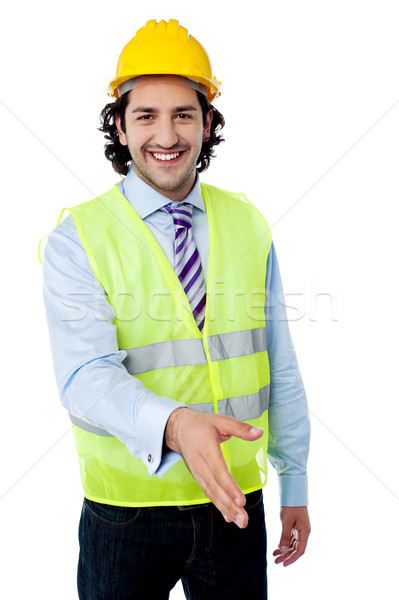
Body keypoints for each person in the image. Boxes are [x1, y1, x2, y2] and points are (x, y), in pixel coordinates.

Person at [42, 18, 311, 600]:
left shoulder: (247, 224)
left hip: (237, 505)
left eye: (184, 114)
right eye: (146, 116)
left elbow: (280, 366)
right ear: (119, 122)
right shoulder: (78, 239)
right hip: (127, 512)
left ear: (208, 122)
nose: (167, 135)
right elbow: (84, 378)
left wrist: (296, 480)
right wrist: (175, 424)